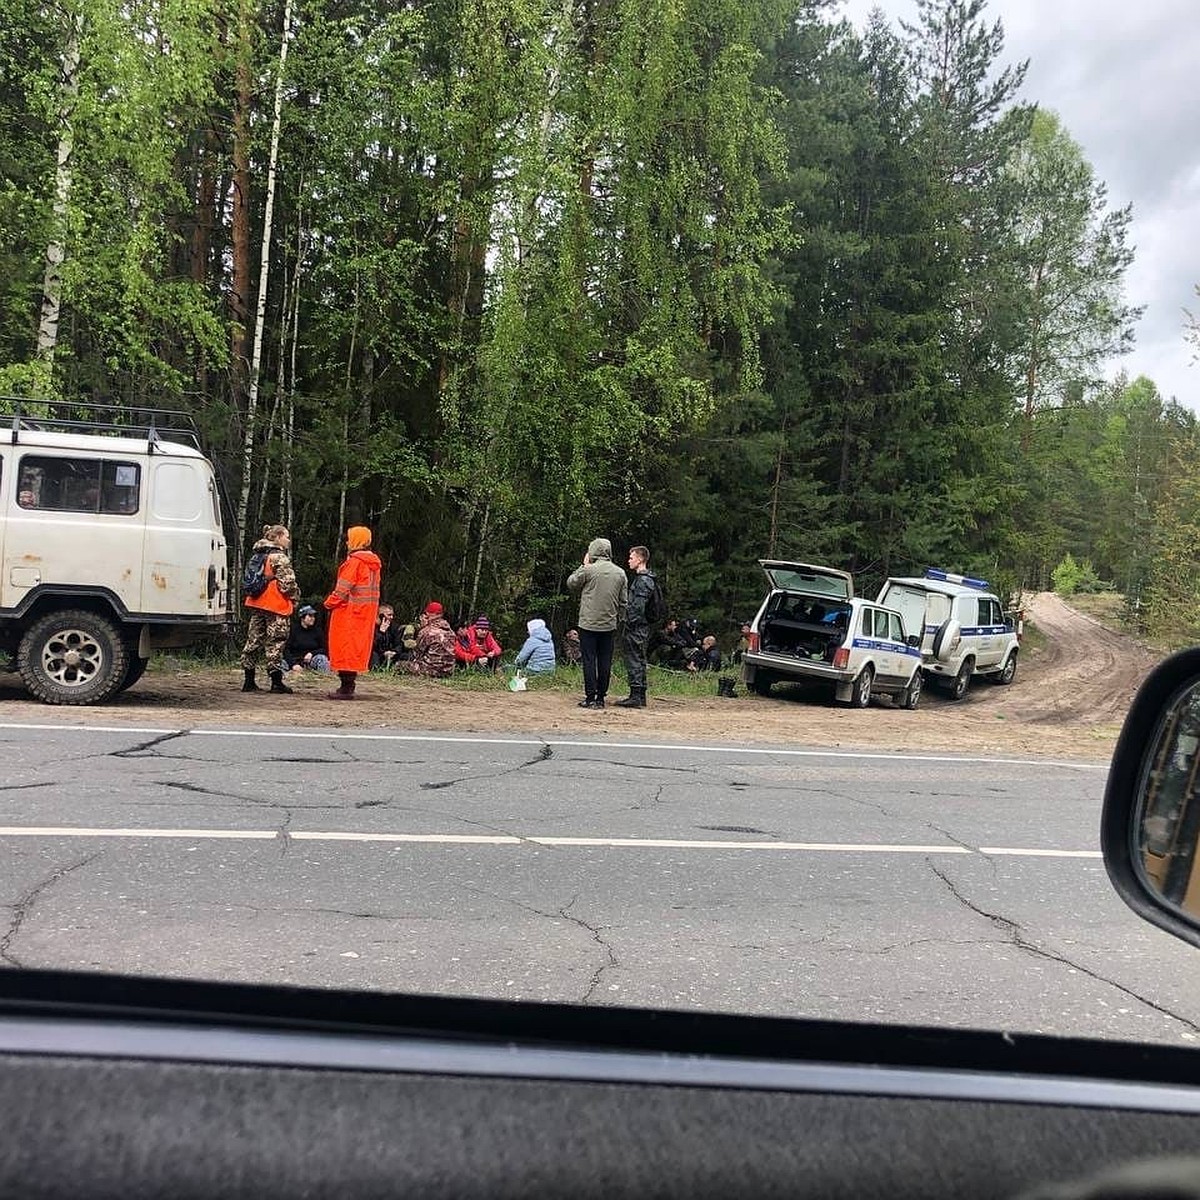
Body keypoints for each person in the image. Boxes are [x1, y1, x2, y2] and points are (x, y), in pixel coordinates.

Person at [566, 537, 628, 709]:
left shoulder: (589, 570)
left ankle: (590, 696)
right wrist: (619, 620)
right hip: (609, 624)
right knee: (605, 660)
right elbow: (624, 602)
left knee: (589, 659)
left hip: (588, 624)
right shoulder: (620, 573)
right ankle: (601, 698)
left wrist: (583, 565)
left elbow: (571, 583)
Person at [240, 524, 300, 694]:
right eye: (286, 536)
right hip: (275, 604)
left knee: (253, 641)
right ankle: (276, 682)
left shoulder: (257, 554)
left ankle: (248, 680)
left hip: (257, 602)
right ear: (278, 537)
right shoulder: (279, 557)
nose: (288, 539)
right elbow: (287, 584)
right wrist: (295, 598)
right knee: (275, 642)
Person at [323, 525, 381, 699]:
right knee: (356, 650)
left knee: (345, 649)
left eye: (349, 539)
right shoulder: (374, 564)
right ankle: (349, 685)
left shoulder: (354, 563)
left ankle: (346, 688)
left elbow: (342, 590)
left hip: (348, 614)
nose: (347, 542)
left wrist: (327, 604)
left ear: (357, 541)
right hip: (366, 615)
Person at [615, 545, 658, 708]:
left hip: (637, 627)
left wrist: (628, 621)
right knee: (637, 659)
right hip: (640, 626)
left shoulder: (643, 581)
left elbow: (637, 607)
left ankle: (637, 696)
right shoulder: (646, 579)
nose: (629, 560)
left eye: (631, 557)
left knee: (635, 659)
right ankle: (638, 695)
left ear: (640, 559)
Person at [403, 601, 457, 678]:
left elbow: (417, 654)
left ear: (429, 614)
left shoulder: (427, 631)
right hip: (448, 671)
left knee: (399, 665)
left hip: (430, 670)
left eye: (426, 614)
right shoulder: (450, 632)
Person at [284, 605, 330, 674]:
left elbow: (324, 648)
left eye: (313, 616)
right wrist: (293, 664)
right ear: (302, 618)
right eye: (310, 616)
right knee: (280, 663)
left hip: (311, 661)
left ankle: (324, 679)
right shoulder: (293, 630)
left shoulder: (317, 631)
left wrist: (311, 653)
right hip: (295, 660)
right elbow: (286, 650)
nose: (313, 618)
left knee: (322, 659)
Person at [371, 604, 399, 670]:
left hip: (390, 653)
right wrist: (381, 632)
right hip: (378, 653)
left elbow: (398, 643)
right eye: (389, 615)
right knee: (374, 655)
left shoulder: (394, 627)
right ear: (381, 615)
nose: (392, 617)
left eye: (392, 615)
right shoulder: (373, 627)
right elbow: (373, 646)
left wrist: (394, 652)